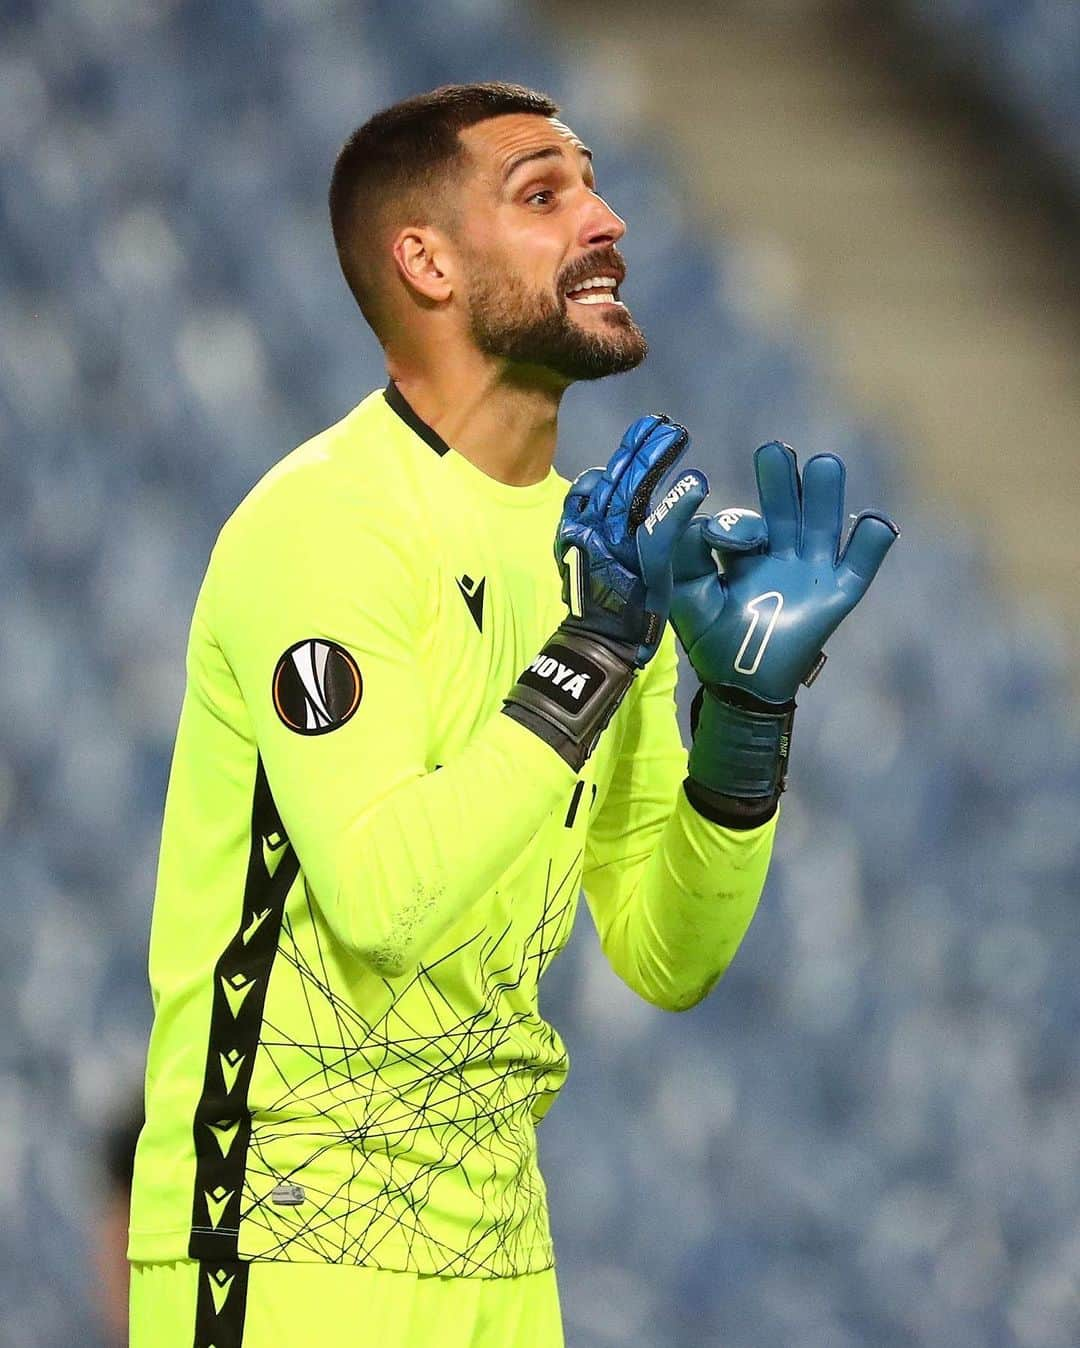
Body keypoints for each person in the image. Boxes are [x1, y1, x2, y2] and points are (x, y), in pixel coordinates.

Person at [127, 82, 897, 1347]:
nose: (606, 219)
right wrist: (592, 650)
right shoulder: (326, 522)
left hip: (502, 1256)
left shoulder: (598, 550)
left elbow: (666, 951)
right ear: (424, 261)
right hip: (285, 1241)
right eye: (544, 193)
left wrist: (745, 722)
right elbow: (383, 900)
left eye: (593, 184)